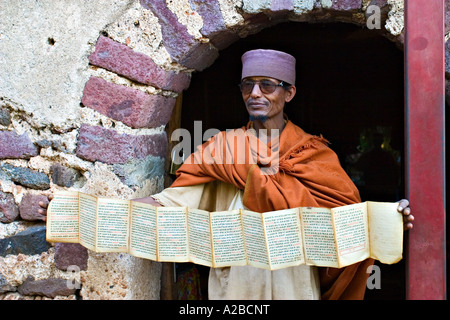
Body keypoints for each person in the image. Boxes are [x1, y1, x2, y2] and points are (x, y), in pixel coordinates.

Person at [40, 49, 413, 300]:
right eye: (247, 85)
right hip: (235, 287)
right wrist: (81, 212)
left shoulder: (314, 155)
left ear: (289, 92)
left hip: (296, 286)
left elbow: (346, 219)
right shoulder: (220, 150)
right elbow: (167, 203)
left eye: (267, 85)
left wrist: (390, 220)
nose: (255, 93)